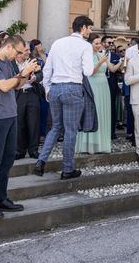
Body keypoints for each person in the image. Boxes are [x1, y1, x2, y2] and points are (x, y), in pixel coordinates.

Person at [0, 35, 39, 219]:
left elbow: (17, 86)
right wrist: (22, 73)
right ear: (9, 47)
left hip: (11, 115)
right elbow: (4, 86)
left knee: (7, 159)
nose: (19, 55)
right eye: (19, 52)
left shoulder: (9, 63)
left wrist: (27, 74)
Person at [35, 16, 95, 180]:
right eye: (90, 28)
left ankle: (41, 161)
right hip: (73, 88)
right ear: (83, 28)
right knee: (70, 131)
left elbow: (48, 69)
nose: (90, 32)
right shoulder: (85, 46)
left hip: (55, 87)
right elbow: (88, 71)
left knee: (55, 127)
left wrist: (48, 89)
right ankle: (67, 169)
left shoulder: (58, 43)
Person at [76, 34, 115, 154]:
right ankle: (88, 144)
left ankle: (100, 144)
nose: (99, 45)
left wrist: (123, 62)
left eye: (100, 43)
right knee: (93, 112)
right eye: (96, 43)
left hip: (103, 86)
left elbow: (112, 69)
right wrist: (100, 62)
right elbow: (90, 72)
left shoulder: (101, 54)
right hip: (92, 85)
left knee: (102, 112)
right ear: (90, 44)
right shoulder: (86, 56)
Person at [13, 46, 43, 159]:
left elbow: (41, 75)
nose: (29, 52)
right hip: (18, 94)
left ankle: (33, 150)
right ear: (18, 52)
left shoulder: (33, 61)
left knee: (34, 123)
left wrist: (35, 77)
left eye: (29, 50)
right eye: (26, 50)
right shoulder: (10, 63)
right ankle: (19, 151)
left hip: (32, 93)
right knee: (19, 122)